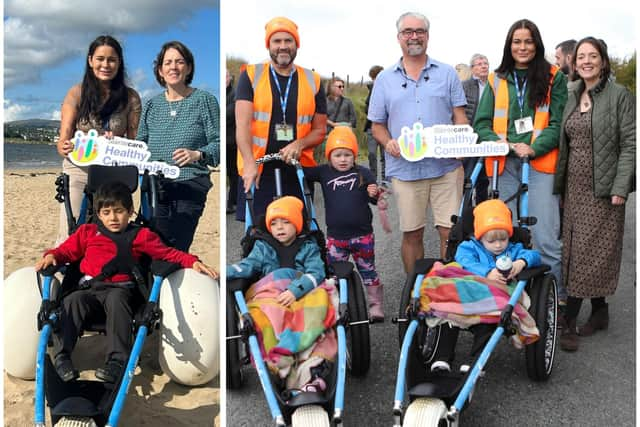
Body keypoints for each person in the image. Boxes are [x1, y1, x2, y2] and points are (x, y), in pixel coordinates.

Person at [36, 182, 218, 383]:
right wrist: (51, 255)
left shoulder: (141, 235)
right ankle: (62, 357)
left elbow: (167, 254)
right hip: (89, 289)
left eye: (119, 211)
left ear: (130, 211)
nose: (113, 218)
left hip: (121, 291)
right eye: (106, 212)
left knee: (116, 300)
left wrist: (192, 261)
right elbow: (66, 251)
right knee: (72, 301)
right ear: (98, 214)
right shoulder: (87, 232)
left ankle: (116, 361)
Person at [473, 19, 568, 307]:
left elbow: (557, 123)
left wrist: (533, 147)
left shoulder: (554, 77)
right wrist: (502, 143)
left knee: (546, 236)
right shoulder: (497, 78)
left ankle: (555, 301)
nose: (522, 47)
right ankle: (512, 300)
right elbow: (481, 124)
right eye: (517, 41)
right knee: (505, 234)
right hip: (503, 166)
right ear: (509, 45)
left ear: (536, 44)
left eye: (528, 41)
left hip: (539, 164)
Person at [368, 11, 467, 273]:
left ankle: (449, 292)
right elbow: (377, 125)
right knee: (412, 234)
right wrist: (388, 142)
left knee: (450, 233)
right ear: (399, 37)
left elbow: (460, 117)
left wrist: (462, 142)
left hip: (446, 168)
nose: (414, 36)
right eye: (408, 32)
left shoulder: (447, 74)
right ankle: (414, 293)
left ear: (428, 36)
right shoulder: (384, 80)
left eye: (419, 31)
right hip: (406, 171)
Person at [553, 37, 635, 352]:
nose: (586, 61)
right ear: (574, 63)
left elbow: (630, 143)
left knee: (589, 251)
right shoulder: (572, 92)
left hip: (604, 188)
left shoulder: (620, 96)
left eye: (593, 56)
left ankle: (569, 319)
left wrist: (620, 186)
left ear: (603, 60)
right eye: (582, 57)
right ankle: (600, 310)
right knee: (576, 249)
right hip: (574, 186)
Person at [430, 199, 542, 371]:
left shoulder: (514, 248)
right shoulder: (469, 247)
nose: (498, 245)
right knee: (449, 315)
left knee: (489, 322)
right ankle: (442, 358)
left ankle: (475, 360)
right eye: (491, 241)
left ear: (509, 236)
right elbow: (463, 260)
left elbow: (534, 255)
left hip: (495, 297)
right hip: (470, 290)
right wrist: (487, 272)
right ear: (479, 236)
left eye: (503, 239)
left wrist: (520, 263)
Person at [235, 16, 327, 220]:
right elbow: (241, 125)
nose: (283, 46)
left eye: (288, 41)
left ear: (297, 45)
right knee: (257, 235)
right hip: (258, 167)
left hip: (297, 168)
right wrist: (250, 164)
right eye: (277, 41)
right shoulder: (251, 75)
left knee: (299, 232)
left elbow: (320, 130)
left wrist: (300, 143)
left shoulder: (313, 80)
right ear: (269, 45)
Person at [56, 35, 141, 244]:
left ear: (119, 63)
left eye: (112, 59)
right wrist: (64, 145)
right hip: (79, 168)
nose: (106, 64)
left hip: (114, 170)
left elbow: (136, 141)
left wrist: (118, 144)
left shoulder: (130, 97)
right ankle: (65, 270)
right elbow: (64, 136)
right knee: (71, 227)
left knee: (111, 230)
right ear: (90, 60)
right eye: (100, 59)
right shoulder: (77, 93)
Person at [137, 40, 220, 251]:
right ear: (160, 70)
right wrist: (114, 145)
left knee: (176, 248)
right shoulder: (151, 105)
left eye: (180, 62)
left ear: (189, 67)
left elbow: (219, 144)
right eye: (168, 62)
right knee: (152, 246)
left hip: (190, 184)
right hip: (154, 186)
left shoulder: (204, 100)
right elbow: (140, 146)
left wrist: (198, 154)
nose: (173, 67)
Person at [304, 126, 383, 320]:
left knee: (368, 270)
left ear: (354, 155)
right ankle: (337, 306)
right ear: (329, 155)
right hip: (336, 238)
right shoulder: (324, 172)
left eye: (347, 155)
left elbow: (375, 199)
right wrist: (291, 157)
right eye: (337, 155)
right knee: (334, 274)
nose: (342, 159)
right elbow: (302, 172)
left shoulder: (363, 173)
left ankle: (376, 305)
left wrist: (375, 193)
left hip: (363, 236)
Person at [462, 53, 491, 203]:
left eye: (485, 63)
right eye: (479, 64)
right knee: (468, 176)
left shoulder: (494, 85)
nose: (484, 66)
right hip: (470, 138)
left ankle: (482, 211)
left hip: (487, 137)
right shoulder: (465, 86)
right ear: (472, 69)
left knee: (484, 179)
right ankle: (464, 211)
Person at [363, 65, 385, 182]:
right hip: (371, 127)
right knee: (372, 154)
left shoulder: (388, 89)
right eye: (374, 78)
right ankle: (373, 178)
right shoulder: (371, 89)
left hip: (385, 128)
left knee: (384, 155)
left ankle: (385, 179)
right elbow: (367, 109)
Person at [226, 70, 239, 214]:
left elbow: (229, 114)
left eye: (226, 77)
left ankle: (232, 202)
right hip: (224, 140)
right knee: (229, 173)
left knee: (233, 173)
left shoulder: (235, 94)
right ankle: (232, 200)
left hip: (232, 142)